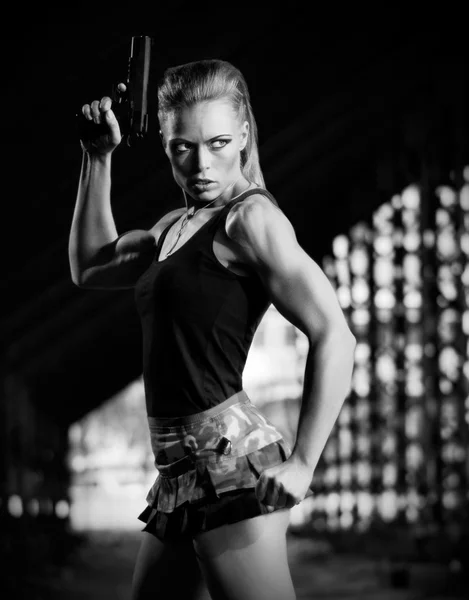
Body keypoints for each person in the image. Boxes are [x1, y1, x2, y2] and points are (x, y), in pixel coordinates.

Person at [69, 58, 356, 600]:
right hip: (180, 477)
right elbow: (89, 266)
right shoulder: (172, 229)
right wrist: (97, 156)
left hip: (232, 468)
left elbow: (335, 334)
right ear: (165, 144)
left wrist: (303, 463)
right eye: (184, 148)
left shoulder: (250, 220)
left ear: (245, 133)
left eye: (219, 143)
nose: (202, 164)